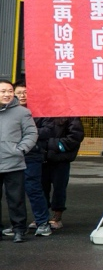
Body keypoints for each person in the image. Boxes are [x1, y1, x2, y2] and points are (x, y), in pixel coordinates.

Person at [20, 95, 83, 236]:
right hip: (40, 157)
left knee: (59, 188)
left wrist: (53, 145)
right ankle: (42, 217)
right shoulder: (36, 112)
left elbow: (75, 136)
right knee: (41, 187)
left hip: (59, 158)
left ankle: (57, 216)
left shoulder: (69, 113)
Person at [0, 80, 37, 242]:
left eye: (9, 91)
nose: (7, 94)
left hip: (13, 163)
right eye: (3, 91)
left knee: (16, 199)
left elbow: (31, 133)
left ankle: (19, 230)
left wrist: (20, 149)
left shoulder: (22, 112)